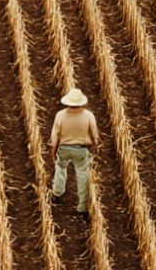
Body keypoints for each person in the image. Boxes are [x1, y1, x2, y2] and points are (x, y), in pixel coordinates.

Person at [50, 88, 98, 219]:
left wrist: (53, 151)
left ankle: (57, 194)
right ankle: (82, 207)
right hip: (82, 150)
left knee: (60, 168)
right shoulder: (88, 115)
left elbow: (55, 136)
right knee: (82, 176)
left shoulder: (60, 115)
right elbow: (94, 134)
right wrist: (95, 145)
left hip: (64, 149)